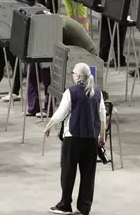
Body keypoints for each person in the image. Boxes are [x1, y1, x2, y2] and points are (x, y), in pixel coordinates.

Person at [44, 63, 106, 215]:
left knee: (68, 172)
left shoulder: (70, 92)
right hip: (91, 139)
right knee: (88, 174)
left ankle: (65, 205)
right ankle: (84, 206)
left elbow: (61, 113)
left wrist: (48, 125)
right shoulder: (97, 93)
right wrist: (102, 137)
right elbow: (102, 115)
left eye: (73, 73)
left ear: (78, 76)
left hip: (73, 139)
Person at [27, 14, 98, 117]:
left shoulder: (59, 27)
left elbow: (51, 52)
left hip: (86, 56)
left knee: (46, 68)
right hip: (72, 51)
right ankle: (33, 107)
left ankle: (49, 107)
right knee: (34, 66)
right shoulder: (53, 22)